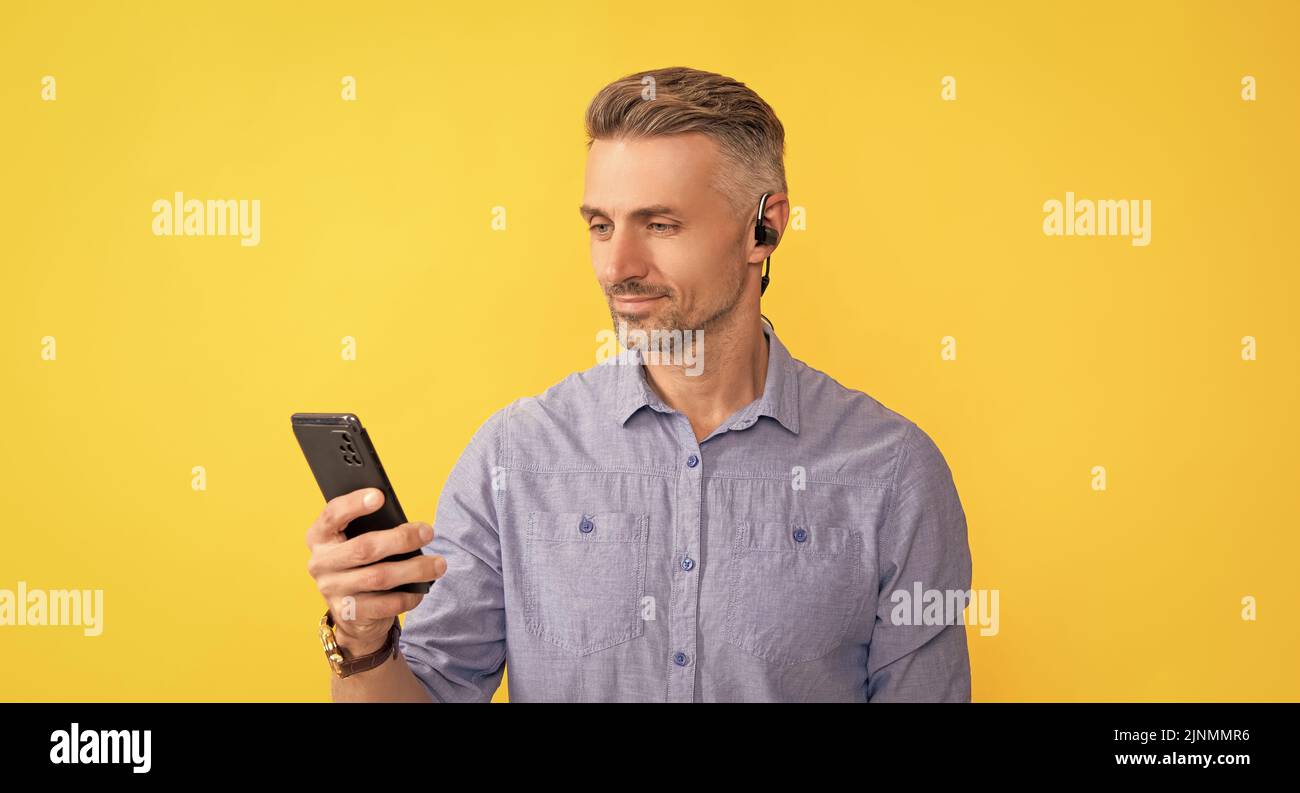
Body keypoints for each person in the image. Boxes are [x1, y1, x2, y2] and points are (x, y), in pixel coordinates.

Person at [305, 66, 972, 702]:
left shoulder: (893, 473)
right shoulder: (514, 455)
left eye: (659, 224)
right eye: (601, 225)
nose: (617, 267)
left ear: (764, 226)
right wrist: (364, 640)